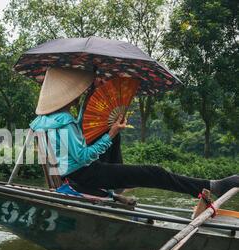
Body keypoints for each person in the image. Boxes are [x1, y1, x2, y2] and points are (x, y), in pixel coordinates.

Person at [29, 67, 238, 198]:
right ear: (70, 97)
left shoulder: (42, 122)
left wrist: (94, 97)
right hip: (85, 176)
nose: (78, 95)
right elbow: (83, 157)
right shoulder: (64, 123)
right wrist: (110, 134)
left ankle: (119, 183)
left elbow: (83, 126)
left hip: (69, 173)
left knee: (109, 132)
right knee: (155, 172)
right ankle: (208, 187)